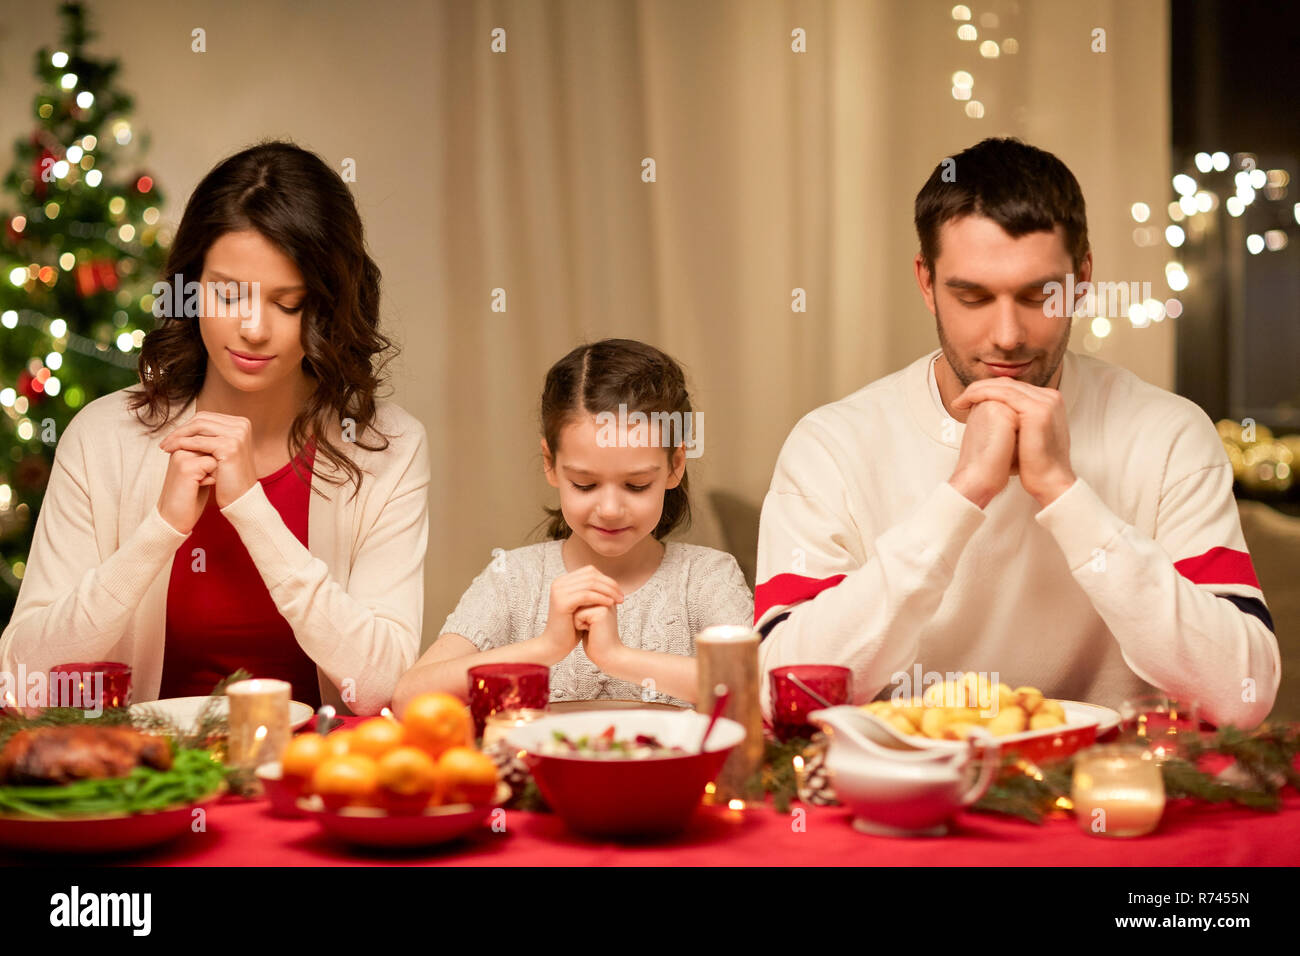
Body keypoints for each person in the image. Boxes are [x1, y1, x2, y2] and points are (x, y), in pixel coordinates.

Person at [753, 137, 1280, 728]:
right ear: (926, 282)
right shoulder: (830, 445)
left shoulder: (1170, 433)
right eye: (972, 295)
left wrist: (1066, 494)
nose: (1007, 334)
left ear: (1081, 278)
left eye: (1037, 295)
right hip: (907, 799)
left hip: (1104, 795)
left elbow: (1244, 695)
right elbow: (783, 698)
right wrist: (960, 498)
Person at [0, 141, 429, 716]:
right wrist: (160, 530)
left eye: (287, 302)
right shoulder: (104, 439)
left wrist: (253, 510)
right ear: (190, 287)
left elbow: (381, 686)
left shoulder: (386, 450)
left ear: (326, 306)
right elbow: (23, 681)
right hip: (149, 785)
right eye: (227, 294)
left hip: (315, 782)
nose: (252, 328)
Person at [394, 338, 752, 712]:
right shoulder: (513, 578)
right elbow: (410, 698)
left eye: (636, 485)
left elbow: (752, 691)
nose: (611, 509)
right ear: (550, 463)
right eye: (585, 484)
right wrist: (547, 646)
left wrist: (616, 657)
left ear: (676, 465)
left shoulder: (707, 577)